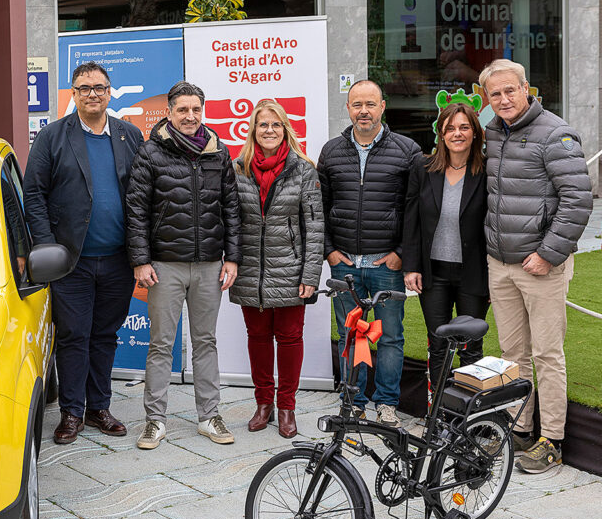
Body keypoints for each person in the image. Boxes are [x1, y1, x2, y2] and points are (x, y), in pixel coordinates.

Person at [479, 58, 592, 473]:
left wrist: (548, 253)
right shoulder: (492, 132)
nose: (504, 99)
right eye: (496, 93)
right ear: (485, 98)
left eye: (511, 90)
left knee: (547, 354)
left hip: (541, 266)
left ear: (527, 88)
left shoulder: (555, 133)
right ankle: (520, 428)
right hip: (501, 263)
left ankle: (553, 440)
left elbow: (578, 200)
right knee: (513, 354)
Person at [24, 61, 144, 445]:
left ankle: (99, 408)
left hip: (117, 260)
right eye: (84, 87)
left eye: (99, 87)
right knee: (74, 335)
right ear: (73, 94)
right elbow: (34, 194)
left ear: (110, 92)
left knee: (105, 335)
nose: (92, 93)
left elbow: (142, 196)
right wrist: (46, 247)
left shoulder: (130, 136)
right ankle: (72, 413)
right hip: (69, 260)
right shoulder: (53, 137)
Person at [125, 80, 241, 450]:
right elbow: (137, 210)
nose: (190, 116)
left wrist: (233, 257)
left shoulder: (217, 151)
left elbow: (232, 207)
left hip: (209, 264)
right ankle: (155, 421)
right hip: (164, 265)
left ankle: (209, 416)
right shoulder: (150, 152)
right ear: (170, 113)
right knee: (161, 344)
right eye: (183, 110)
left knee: (206, 341)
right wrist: (140, 260)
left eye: (196, 109)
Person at [318, 80, 422, 427]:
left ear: (383, 106)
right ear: (348, 108)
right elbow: (321, 207)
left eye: (370, 104)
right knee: (351, 334)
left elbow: (415, 209)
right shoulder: (331, 151)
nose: (363, 111)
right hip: (343, 265)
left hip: (386, 265)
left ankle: (387, 403)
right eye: (357, 104)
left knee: (390, 336)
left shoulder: (407, 150)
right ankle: (354, 401)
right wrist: (329, 251)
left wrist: (401, 253)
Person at [230, 99, 323, 439]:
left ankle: (286, 407)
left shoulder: (303, 170)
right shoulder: (238, 169)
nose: (269, 131)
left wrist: (310, 276)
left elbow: (315, 228)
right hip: (250, 271)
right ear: (252, 129)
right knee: (257, 338)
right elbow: (231, 222)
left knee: (288, 339)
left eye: (276, 125)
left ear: (285, 129)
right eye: (263, 125)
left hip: (291, 270)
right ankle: (263, 404)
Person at [402, 102, 490, 395]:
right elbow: (411, 219)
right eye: (450, 127)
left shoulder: (487, 171)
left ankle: (467, 417)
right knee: (438, 344)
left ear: (475, 133)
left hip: (473, 273)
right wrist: (411, 265)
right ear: (441, 132)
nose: (457, 133)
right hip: (433, 272)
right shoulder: (423, 167)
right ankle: (438, 415)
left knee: (470, 347)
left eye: (464, 127)